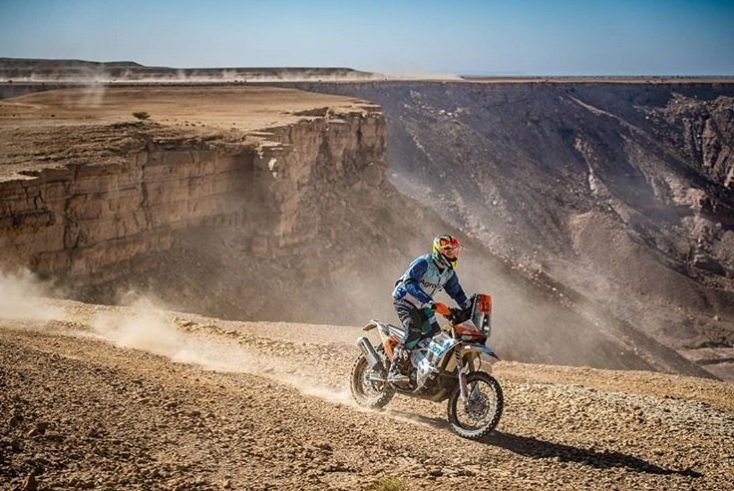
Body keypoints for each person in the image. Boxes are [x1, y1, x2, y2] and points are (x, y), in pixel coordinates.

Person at [388, 234, 471, 384]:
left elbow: (457, 292)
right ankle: (395, 370)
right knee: (414, 330)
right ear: (438, 251)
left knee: (436, 337)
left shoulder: (448, 272)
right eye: (448, 251)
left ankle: (420, 368)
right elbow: (409, 282)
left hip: (424, 305)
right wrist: (429, 301)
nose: (452, 254)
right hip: (404, 300)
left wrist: (469, 307)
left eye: (454, 251)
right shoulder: (424, 263)